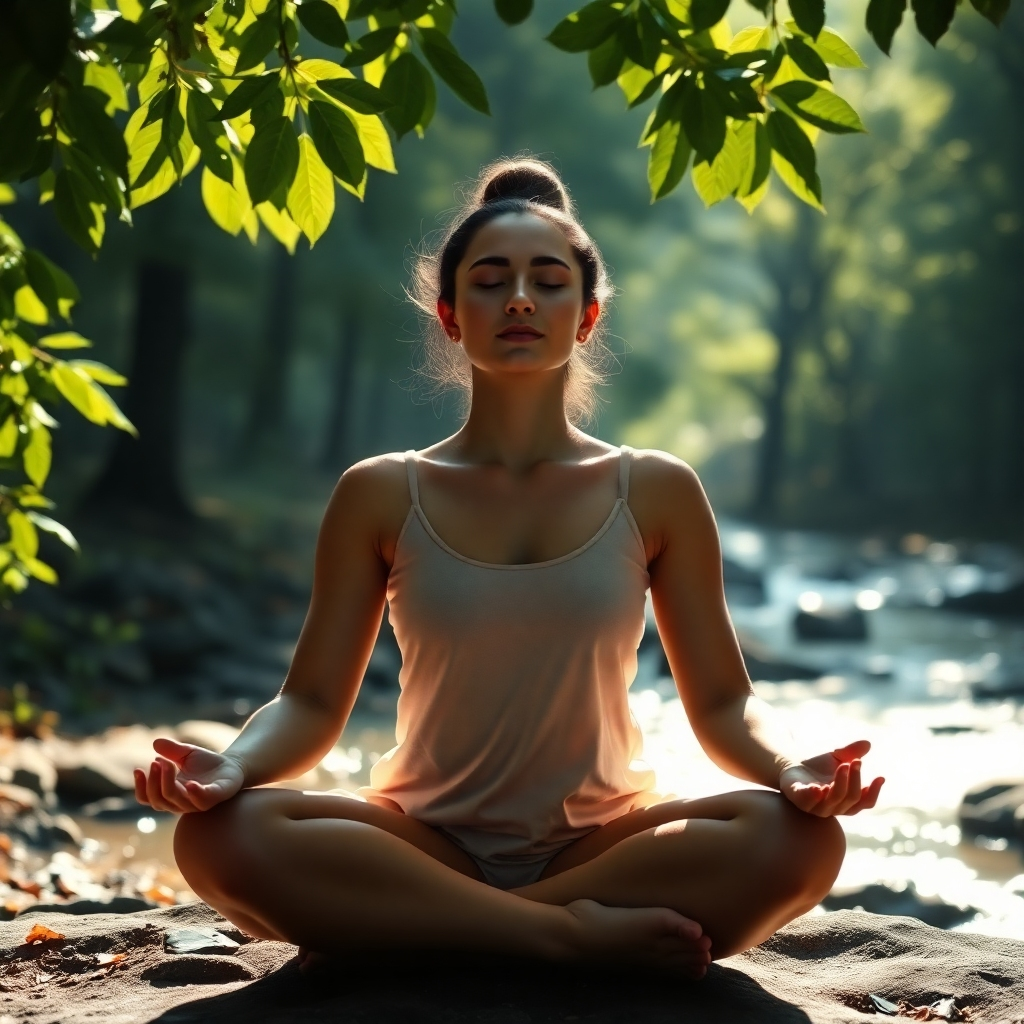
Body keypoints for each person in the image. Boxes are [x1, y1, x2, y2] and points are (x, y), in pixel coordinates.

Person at [134, 157, 884, 979]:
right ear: (450, 317)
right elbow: (311, 702)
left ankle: (425, 928)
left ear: (587, 316)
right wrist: (236, 765)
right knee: (217, 833)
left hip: (605, 845)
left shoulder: (657, 489)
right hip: (423, 840)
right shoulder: (383, 492)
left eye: (548, 281)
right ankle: (560, 939)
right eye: (490, 282)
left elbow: (724, 702)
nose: (520, 299)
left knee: (800, 840)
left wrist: (789, 769)